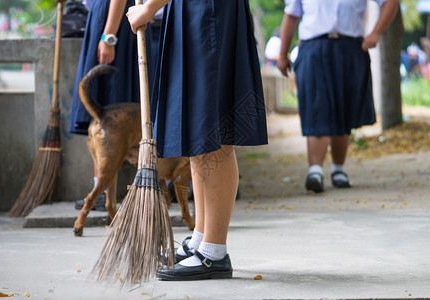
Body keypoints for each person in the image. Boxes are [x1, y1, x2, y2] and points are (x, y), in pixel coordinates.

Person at [127, 0, 268, 280]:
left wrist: (150, 7)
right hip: (197, 11)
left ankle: (213, 253)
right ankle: (202, 238)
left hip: (208, 11)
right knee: (199, 133)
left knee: (212, 133)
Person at [277, 0, 399, 193]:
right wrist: (282, 54)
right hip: (313, 47)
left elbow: (391, 2)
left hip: (350, 47)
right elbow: (291, 14)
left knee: (344, 106)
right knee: (318, 106)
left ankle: (338, 169)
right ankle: (315, 171)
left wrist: (375, 32)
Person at [69, 0, 156, 210]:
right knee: (104, 116)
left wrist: (109, 36)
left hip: (114, 25)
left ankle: (140, 195)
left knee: (117, 107)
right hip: (107, 20)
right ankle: (103, 192)